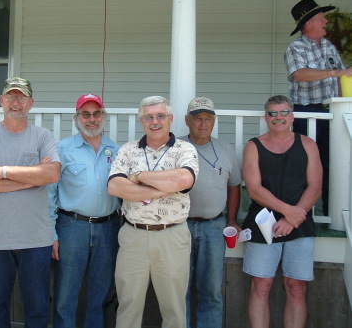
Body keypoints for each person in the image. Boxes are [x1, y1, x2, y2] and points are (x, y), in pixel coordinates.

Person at [0, 77, 61, 328]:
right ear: (1, 101)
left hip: (36, 239)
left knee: (38, 308)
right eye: (10, 96)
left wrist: (3, 171)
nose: (15, 102)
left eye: (21, 97)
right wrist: (33, 177)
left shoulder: (43, 136)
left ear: (31, 103)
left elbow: (52, 174)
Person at [108, 95, 199, 328]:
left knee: (174, 309)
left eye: (160, 116)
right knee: (128, 305)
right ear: (142, 121)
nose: (155, 121)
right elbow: (115, 186)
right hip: (133, 235)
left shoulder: (184, 149)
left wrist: (139, 178)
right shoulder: (128, 150)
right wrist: (164, 188)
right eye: (149, 117)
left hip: (172, 235)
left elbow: (184, 178)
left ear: (170, 119)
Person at [242, 95, 322, 328]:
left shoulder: (307, 144)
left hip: (300, 223)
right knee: (260, 285)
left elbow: (315, 186)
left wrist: (293, 218)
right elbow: (254, 189)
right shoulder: (253, 146)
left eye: (284, 112)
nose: (279, 117)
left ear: (292, 116)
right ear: (266, 117)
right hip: (262, 223)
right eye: (273, 113)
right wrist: (288, 212)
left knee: (296, 287)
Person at [48, 93, 121, 328]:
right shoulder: (62, 149)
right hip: (72, 227)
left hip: (108, 228)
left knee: (100, 295)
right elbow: (50, 194)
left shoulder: (117, 150)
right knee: (65, 294)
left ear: (104, 116)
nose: (92, 119)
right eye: (85, 114)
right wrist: (52, 235)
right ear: (76, 118)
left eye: (97, 113)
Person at [284, 0, 352, 216]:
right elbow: (299, 74)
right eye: (321, 17)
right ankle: (302, 214)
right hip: (307, 113)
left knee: (332, 163)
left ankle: (330, 211)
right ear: (308, 23)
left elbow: (341, 80)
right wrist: (335, 72)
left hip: (331, 112)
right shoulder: (296, 48)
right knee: (306, 166)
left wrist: (344, 105)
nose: (325, 20)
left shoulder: (329, 47)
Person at [180, 97, 242, 328]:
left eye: (208, 119)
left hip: (214, 227)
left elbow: (234, 185)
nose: (203, 123)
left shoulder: (225, 150)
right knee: (179, 289)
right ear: (187, 121)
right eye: (197, 118)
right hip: (179, 226)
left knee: (212, 290)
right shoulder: (175, 147)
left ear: (214, 122)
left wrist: (232, 220)